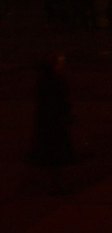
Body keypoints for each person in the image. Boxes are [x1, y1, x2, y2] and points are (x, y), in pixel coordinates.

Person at [29, 52, 74, 194]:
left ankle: (55, 182)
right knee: (54, 154)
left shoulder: (45, 80)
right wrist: (66, 114)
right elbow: (60, 102)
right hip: (53, 123)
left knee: (51, 154)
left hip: (48, 122)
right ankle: (56, 184)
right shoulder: (54, 81)